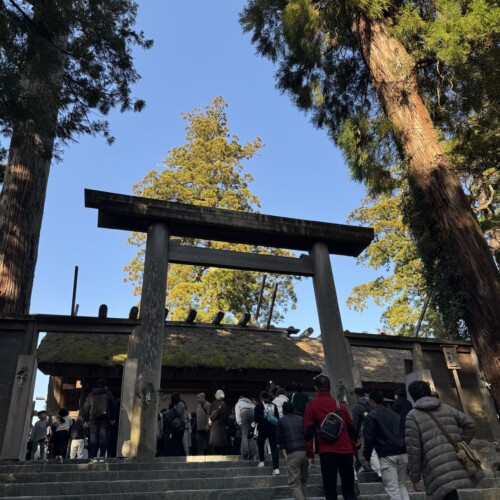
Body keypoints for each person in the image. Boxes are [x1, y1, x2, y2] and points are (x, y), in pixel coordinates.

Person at [405, 380, 482, 500]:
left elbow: (414, 450)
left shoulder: (412, 416)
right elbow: (471, 424)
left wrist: (415, 478)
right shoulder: (447, 408)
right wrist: (460, 442)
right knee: (451, 495)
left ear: (412, 396)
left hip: (434, 466)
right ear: (429, 392)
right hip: (456, 459)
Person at [304, 375, 357, 500]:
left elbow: (308, 432)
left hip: (327, 451)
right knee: (349, 490)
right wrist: (354, 451)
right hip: (346, 451)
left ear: (316, 388)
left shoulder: (312, 405)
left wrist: (310, 455)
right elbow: (351, 429)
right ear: (330, 387)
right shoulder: (340, 405)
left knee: (330, 489)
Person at [363, 390, 409, 500]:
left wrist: (367, 457)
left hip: (386, 454)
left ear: (372, 401)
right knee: (400, 484)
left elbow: (369, 438)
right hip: (402, 451)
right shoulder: (395, 415)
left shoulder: (371, 416)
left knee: (392, 487)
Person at [277, 401, 309, 500]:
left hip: (292, 452)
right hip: (305, 451)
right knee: (303, 480)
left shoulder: (281, 421)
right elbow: (307, 435)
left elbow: (280, 440)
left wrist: (285, 455)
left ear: (283, 411)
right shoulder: (301, 419)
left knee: (294, 483)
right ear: (293, 409)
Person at [83, 378, 116, 463]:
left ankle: (93, 457)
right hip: (105, 419)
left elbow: (86, 407)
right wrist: (113, 418)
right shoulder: (108, 394)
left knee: (93, 439)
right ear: (105, 386)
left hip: (93, 419)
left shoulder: (91, 394)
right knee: (103, 438)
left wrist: (86, 419)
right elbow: (113, 406)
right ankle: (102, 456)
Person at [254, 390, 280, 475]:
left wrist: (262, 417)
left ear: (261, 398)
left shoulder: (259, 406)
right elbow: (277, 417)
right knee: (274, 448)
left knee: (260, 443)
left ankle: (261, 461)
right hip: (273, 428)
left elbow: (255, 418)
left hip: (262, 428)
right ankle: (276, 468)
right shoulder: (274, 405)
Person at [235, 395, 258, 460]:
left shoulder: (239, 403)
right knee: (251, 434)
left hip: (244, 413)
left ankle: (245, 454)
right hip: (253, 413)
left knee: (244, 435)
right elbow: (255, 409)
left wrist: (239, 422)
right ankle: (252, 454)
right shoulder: (250, 403)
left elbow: (237, 413)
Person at [352, 388, 370, 471]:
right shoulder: (371, 403)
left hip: (363, 432)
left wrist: (355, 436)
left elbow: (355, 423)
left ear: (356, 395)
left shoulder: (357, 407)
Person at [208, 389, 230, 454]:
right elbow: (225, 415)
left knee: (215, 443)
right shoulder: (223, 403)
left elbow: (210, 414)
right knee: (222, 442)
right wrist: (227, 424)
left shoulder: (213, 403)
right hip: (221, 425)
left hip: (214, 425)